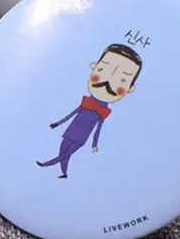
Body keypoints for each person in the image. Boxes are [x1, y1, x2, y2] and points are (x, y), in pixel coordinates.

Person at [36, 43, 142, 178]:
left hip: (82, 136)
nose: (108, 83)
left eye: (122, 79)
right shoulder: (87, 102)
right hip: (72, 129)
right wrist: (57, 124)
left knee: (66, 154)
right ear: (94, 67)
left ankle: (46, 164)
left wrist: (94, 144)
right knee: (63, 150)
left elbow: (98, 129)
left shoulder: (103, 111)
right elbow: (71, 114)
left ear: (130, 88)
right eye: (103, 70)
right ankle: (64, 173)